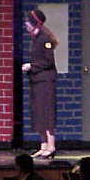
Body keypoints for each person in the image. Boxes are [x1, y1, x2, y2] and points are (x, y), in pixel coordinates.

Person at [22, 9, 58, 159]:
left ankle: (51, 146)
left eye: (28, 23)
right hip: (37, 80)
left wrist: (31, 66)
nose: (26, 25)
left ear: (34, 24)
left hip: (45, 81)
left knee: (46, 112)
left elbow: (48, 61)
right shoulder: (35, 39)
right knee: (39, 113)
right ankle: (43, 145)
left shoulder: (45, 39)